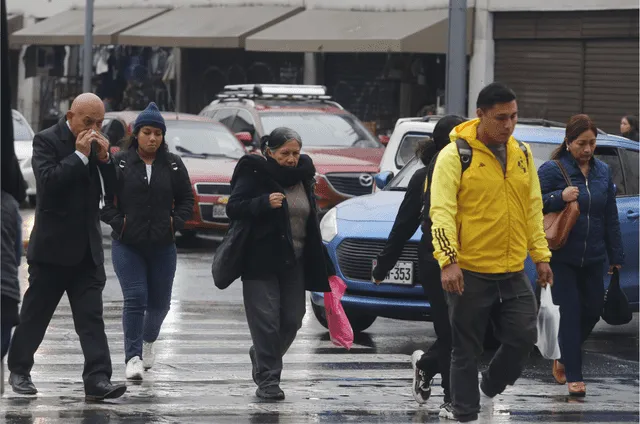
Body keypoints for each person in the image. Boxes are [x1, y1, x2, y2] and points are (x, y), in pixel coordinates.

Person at [429, 82, 553, 423]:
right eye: (501, 118)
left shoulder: (522, 154)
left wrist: (540, 256)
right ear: (481, 115)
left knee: (524, 338)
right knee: (465, 348)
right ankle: (465, 414)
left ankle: (489, 389)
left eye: (514, 116)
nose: (509, 125)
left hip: (513, 270)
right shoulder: (455, 156)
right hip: (469, 271)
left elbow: (532, 207)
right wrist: (449, 261)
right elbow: (441, 211)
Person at [7, 93, 127, 401]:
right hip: (52, 249)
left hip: (87, 250)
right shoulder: (46, 141)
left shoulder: (99, 144)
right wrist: (79, 156)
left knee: (91, 318)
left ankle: (98, 379)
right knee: (36, 314)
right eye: (88, 122)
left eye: (100, 122)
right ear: (70, 116)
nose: (94, 128)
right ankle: (20, 369)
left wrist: (104, 160)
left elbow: (116, 190)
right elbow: (48, 184)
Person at [226, 127, 335, 401]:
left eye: (295, 153)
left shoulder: (304, 177)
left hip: (294, 261)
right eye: (284, 153)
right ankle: (268, 380)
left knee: (293, 319)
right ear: (269, 152)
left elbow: (311, 220)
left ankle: (261, 355)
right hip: (259, 260)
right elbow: (234, 207)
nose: (291, 159)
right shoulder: (254, 172)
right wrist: (263, 202)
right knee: (266, 323)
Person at [372, 115, 464, 414]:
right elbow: (403, 225)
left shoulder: (476, 173)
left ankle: (426, 365)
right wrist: (383, 266)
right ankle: (453, 399)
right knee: (451, 332)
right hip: (434, 262)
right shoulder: (423, 178)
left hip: (473, 263)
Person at [100, 102, 194, 380]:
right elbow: (104, 201)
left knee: (161, 304)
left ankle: (147, 341)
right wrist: (120, 222)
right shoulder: (121, 162)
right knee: (136, 296)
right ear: (136, 133)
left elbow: (187, 199)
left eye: (158, 133)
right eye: (147, 132)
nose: (152, 138)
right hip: (127, 243)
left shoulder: (174, 164)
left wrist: (175, 222)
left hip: (163, 245)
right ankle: (132, 358)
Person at [538, 114, 623, 397]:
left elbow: (610, 215)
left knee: (592, 309)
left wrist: (616, 254)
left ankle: (563, 356)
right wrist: (558, 197)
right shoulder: (553, 169)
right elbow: (533, 205)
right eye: (581, 143)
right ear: (568, 142)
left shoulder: (602, 172)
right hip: (562, 255)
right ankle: (574, 374)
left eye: (592, 143)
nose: (587, 150)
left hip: (595, 256)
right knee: (571, 314)